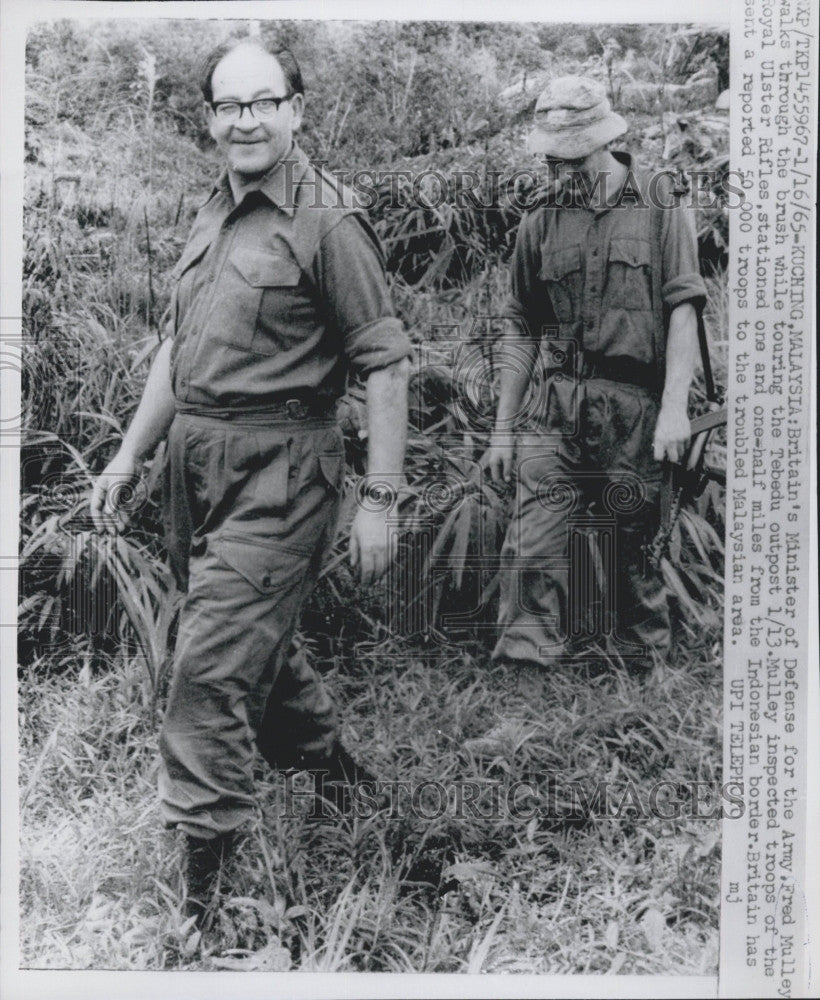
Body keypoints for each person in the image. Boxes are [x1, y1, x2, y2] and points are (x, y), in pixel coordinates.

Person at [90, 38, 411, 921]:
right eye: (229, 107)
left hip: (283, 473)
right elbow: (175, 349)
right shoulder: (214, 210)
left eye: (263, 102)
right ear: (209, 120)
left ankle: (203, 899)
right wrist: (129, 456)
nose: (246, 121)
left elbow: (385, 364)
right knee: (247, 648)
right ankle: (342, 779)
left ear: (296, 109)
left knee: (206, 671)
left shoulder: (327, 222)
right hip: (196, 473)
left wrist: (380, 500)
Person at [485, 76, 706, 672]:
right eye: (553, 161)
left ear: (605, 143)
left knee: (633, 550)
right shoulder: (540, 222)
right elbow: (520, 325)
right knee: (532, 542)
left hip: (631, 404)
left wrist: (675, 409)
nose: (562, 172)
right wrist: (502, 429)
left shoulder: (660, 201)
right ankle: (526, 673)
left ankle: (642, 665)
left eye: (574, 159)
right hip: (555, 403)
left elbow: (683, 308)